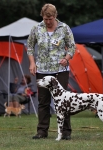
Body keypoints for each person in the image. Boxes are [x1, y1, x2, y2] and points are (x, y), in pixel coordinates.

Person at [27, 3, 75, 140]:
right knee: (43, 101)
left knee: (63, 101)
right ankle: (42, 131)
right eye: (45, 19)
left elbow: (72, 47)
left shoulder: (64, 28)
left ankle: (66, 132)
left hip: (61, 70)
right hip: (42, 70)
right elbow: (29, 46)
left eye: (51, 19)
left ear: (55, 16)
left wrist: (66, 58)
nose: (48, 22)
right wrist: (32, 63)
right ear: (42, 16)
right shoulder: (36, 28)